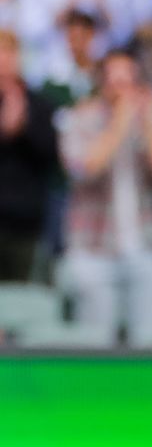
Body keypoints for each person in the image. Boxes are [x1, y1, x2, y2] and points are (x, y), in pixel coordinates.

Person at [58, 51, 152, 346]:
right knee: (95, 346)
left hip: (144, 244)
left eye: (129, 81)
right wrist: (120, 121)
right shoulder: (81, 118)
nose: (123, 90)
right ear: (103, 83)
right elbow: (85, 168)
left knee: (151, 343)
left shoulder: (149, 117)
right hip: (93, 248)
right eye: (116, 81)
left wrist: (148, 121)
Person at [0, 30, 57, 280]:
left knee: (21, 303)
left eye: (9, 52)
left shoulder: (39, 104)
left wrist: (23, 127)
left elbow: (50, 155)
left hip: (24, 221)